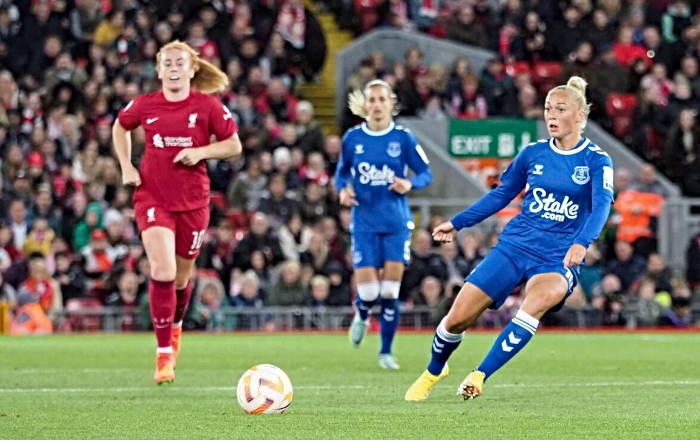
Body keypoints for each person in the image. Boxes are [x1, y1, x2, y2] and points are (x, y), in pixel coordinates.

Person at [405, 76, 614, 401]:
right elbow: (501, 195)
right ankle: (435, 370)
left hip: (556, 258)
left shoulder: (597, 161)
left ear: (580, 116)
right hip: (515, 247)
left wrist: (582, 242)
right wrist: (458, 223)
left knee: (533, 306)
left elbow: (602, 207)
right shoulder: (533, 154)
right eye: (547, 109)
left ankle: (480, 375)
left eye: (560, 109)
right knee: (457, 319)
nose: (551, 115)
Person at [113, 40, 242, 385]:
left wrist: (200, 152)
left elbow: (233, 145)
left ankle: (176, 329)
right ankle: (163, 356)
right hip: (152, 198)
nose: (172, 67)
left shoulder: (207, 105)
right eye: (166, 62)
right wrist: (126, 165)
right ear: (158, 70)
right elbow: (120, 126)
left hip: (193, 203)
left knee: (183, 279)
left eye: (179, 62)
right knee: (163, 269)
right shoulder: (145, 104)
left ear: (191, 69)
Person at [335, 79, 433, 370]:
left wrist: (409, 182)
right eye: (372, 100)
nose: (376, 105)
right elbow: (341, 174)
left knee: (390, 290)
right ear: (365, 105)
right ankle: (362, 314)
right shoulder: (353, 139)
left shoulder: (403, 138)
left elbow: (426, 173)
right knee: (367, 292)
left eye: (382, 99)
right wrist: (343, 190)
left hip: (396, 223)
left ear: (391, 103)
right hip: (364, 222)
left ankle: (385, 352)